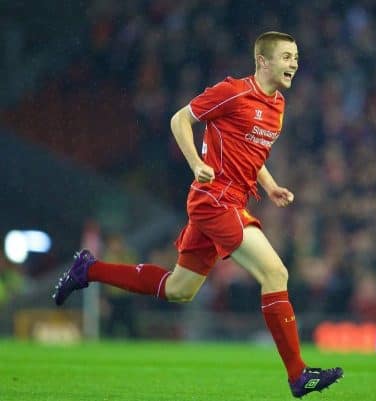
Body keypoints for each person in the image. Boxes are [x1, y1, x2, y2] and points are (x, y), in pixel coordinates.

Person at [52, 31, 343, 397]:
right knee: (275, 271)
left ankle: (88, 269)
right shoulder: (233, 91)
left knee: (178, 289)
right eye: (287, 57)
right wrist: (195, 163)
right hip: (214, 198)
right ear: (263, 61)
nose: (294, 63)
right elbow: (179, 120)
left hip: (233, 199)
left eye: (296, 57)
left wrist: (268, 185)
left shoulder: (278, 105)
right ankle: (298, 375)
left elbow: (252, 150)